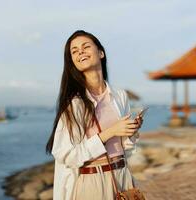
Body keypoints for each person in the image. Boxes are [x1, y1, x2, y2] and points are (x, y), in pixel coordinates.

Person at [46, 30, 143, 200]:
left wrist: (131, 131)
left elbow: (126, 147)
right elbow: (67, 155)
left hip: (123, 175)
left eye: (85, 47)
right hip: (93, 181)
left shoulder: (120, 95)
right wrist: (111, 131)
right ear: (73, 62)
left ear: (101, 53)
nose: (80, 52)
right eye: (74, 51)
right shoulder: (74, 105)